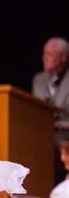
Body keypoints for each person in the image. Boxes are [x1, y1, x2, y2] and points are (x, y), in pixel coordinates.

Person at [32, 37, 69, 185]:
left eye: (50, 54)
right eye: (44, 54)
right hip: (41, 134)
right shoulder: (38, 80)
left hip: (64, 135)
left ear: (63, 57)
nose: (45, 58)